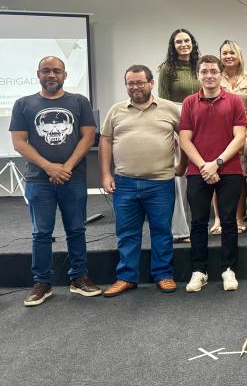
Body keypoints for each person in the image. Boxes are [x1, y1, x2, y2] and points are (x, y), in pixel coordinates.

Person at [10, 56, 101, 306]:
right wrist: (49, 167)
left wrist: (66, 167)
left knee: (76, 229)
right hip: (38, 180)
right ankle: (42, 283)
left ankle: (79, 278)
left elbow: (88, 137)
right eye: (46, 70)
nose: (51, 75)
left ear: (65, 75)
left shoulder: (79, 102)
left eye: (57, 71)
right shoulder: (22, 104)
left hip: (73, 178)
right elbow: (19, 142)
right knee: (41, 233)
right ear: (38, 74)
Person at [99, 65, 181, 297]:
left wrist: (183, 164)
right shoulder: (116, 110)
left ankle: (163, 275)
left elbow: (185, 136)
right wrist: (105, 175)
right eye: (130, 83)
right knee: (126, 232)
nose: (135, 87)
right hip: (125, 183)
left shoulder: (169, 108)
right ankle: (126, 277)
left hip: (160, 182)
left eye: (140, 83)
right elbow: (105, 141)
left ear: (151, 83)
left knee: (162, 231)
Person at [179, 55, 247, 293]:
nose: (209, 75)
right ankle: (199, 271)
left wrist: (216, 164)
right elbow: (184, 139)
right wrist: (204, 166)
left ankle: (229, 269)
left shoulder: (235, 101)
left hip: (229, 169)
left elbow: (240, 137)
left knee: (228, 221)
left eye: (213, 71)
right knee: (198, 222)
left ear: (221, 74)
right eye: (204, 71)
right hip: (198, 171)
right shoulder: (189, 102)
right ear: (198, 75)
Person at [211, 40, 247, 235]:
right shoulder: (214, 77)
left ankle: (239, 217)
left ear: (239, 56)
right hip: (219, 133)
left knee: (239, 176)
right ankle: (218, 219)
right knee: (216, 174)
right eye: (225, 53)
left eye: (232, 53)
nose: (228, 56)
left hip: (244, 133)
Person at [157, 28, 200, 244]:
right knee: (179, 180)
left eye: (187, 40)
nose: (183, 44)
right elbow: (163, 102)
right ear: (173, 46)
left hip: (201, 121)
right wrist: (171, 130)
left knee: (199, 177)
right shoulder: (167, 69)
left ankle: (201, 226)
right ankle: (181, 230)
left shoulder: (199, 66)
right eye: (179, 41)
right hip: (177, 123)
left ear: (193, 43)